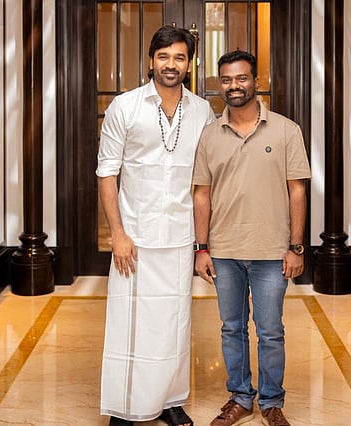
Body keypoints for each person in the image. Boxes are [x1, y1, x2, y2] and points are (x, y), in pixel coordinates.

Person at [96, 26, 215, 426]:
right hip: (134, 239)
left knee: (174, 324)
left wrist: (202, 244)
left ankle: (170, 400)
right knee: (129, 325)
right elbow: (107, 173)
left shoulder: (202, 112)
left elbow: (206, 181)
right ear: (151, 60)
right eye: (164, 56)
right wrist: (117, 234)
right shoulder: (125, 107)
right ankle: (124, 407)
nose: (171, 64)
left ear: (189, 64)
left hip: (180, 238)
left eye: (179, 57)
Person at [192, 51, 311, 426]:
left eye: (241, 78)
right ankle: (241, 397)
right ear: (220, 84)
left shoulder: (286, 130)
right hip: (224, 252)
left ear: (255, 81)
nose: (234, 86)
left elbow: (297, 191)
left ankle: (272, 402)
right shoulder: (210, 135)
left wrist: (295, 247)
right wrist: (202, 249)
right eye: (227, 80)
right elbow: (201, 194)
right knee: (232, 329)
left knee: (271, 331)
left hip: (271, 252)